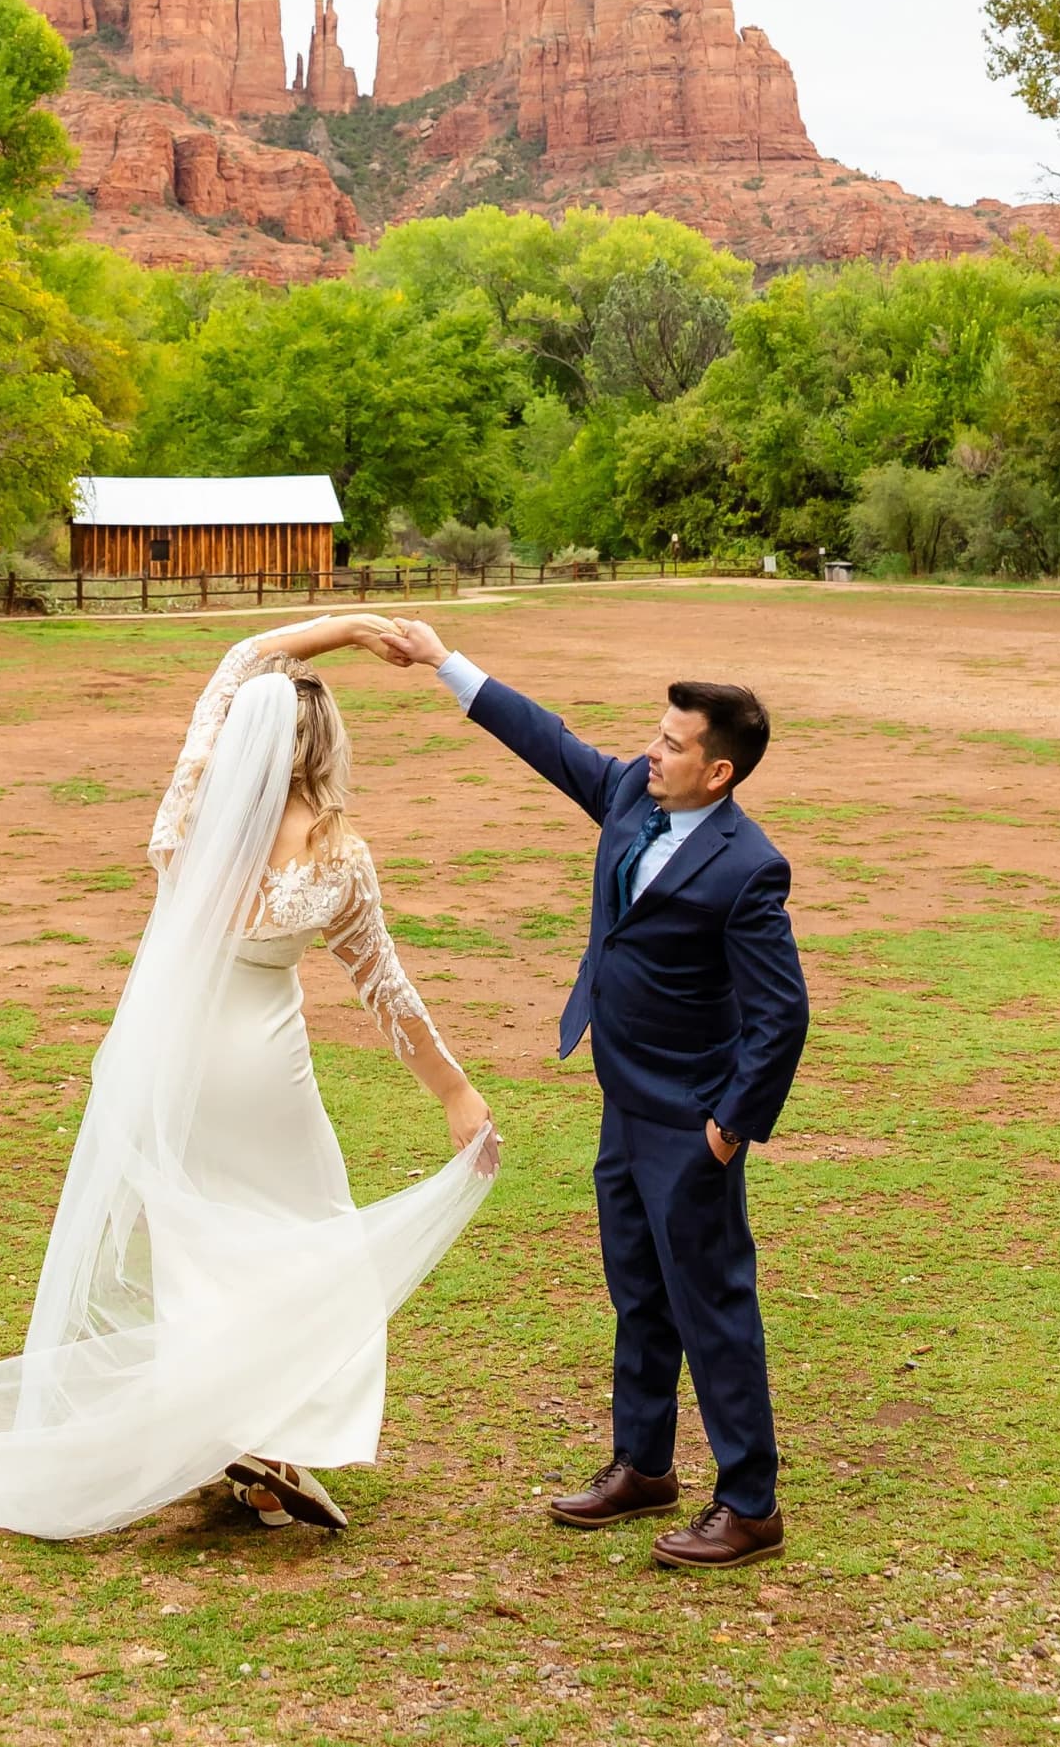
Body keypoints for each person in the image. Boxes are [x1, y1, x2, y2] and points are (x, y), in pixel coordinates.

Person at [0, 615, 497, 1540]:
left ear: (241, 738)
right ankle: (269, 1443)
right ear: (324, 746)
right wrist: (455, 1091)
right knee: (308, 1236)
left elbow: (240, 662)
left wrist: (342, 631)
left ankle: (248, 1451)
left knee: (198, 1245)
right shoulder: (339, 853)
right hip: (265, 1066)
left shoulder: (190, 825)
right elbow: (387, 987)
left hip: (173, 1061)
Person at [387, 617, 806, 1570]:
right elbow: (549, 739)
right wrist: (445, 661)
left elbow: (783, 1016)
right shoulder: (630, 793)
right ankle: (645, 1465)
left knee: (714, 1305)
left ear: (719, 774)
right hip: (624, 1099)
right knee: (639, 1290)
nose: (649, 751)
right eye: (656, 733)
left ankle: (750, 1505)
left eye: (671, 743)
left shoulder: (748, 868)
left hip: (691, 1120)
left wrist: (727, 1130)